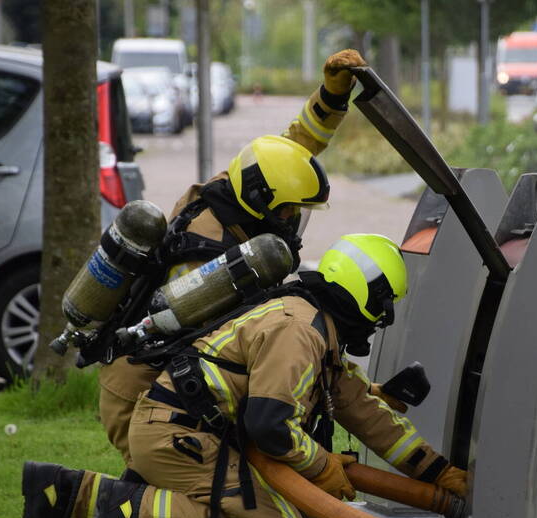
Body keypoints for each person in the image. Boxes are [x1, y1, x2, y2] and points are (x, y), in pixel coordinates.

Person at [22, 234, 469, 518]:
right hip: (180, 436)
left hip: (183, 434)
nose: (386, 315)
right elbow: (269, 425)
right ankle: (111, 513)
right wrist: (322, 466)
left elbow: (367, 414)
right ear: (362, 290)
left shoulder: (318, 329)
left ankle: (64, 495)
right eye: (384, 300)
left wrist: (438, 472)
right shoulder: (298, 330)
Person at [98, 49, 371, 466]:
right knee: (189, 491)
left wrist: (331, 96)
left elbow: (293, 149)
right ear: (262, 201)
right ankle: (71, 503)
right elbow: (221, 345)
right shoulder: (210, 257)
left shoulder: (238, 189)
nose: (292, 218)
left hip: (153, 374)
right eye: (288, 210)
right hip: (139, 384)